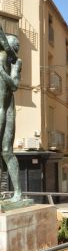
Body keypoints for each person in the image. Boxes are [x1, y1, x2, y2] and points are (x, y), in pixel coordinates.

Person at [0, 25, 22, 202]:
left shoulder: (16, 62)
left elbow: (14, 85)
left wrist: (2, 72)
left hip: (7, 110)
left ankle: (18, 193)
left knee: (7, 151)